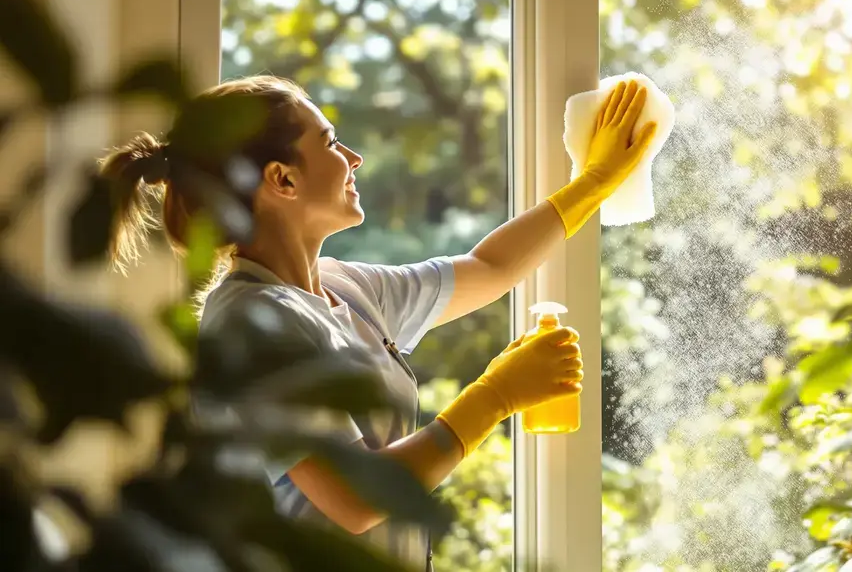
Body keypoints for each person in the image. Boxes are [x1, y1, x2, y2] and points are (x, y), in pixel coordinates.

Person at [98, 74, 656, 569]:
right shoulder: (250, 323)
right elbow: (356, 499)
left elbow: (492, 267)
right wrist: (496, 396)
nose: (354, 158)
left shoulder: (346, 289)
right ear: (282, 180)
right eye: (330, 142)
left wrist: (597, 181)